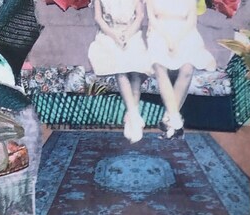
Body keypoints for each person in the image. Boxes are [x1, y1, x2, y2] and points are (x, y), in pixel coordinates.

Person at [145, 0, 216, 138]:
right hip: (159, 33)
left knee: (188, 68)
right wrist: (168, 40)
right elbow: (152, 18)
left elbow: (191, 22)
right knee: (159, 67)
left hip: (185, 34)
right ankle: (176, 120)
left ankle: (169, 118)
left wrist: (176, 40)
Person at [88, 0, 149, 143]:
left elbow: (139, 16)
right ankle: (135, 116)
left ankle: (130, 115)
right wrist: (115, 36)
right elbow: (98, 18)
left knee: (136, 71)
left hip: (132, 34)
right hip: (108, 35)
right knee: (120, 68)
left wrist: (127, 35)